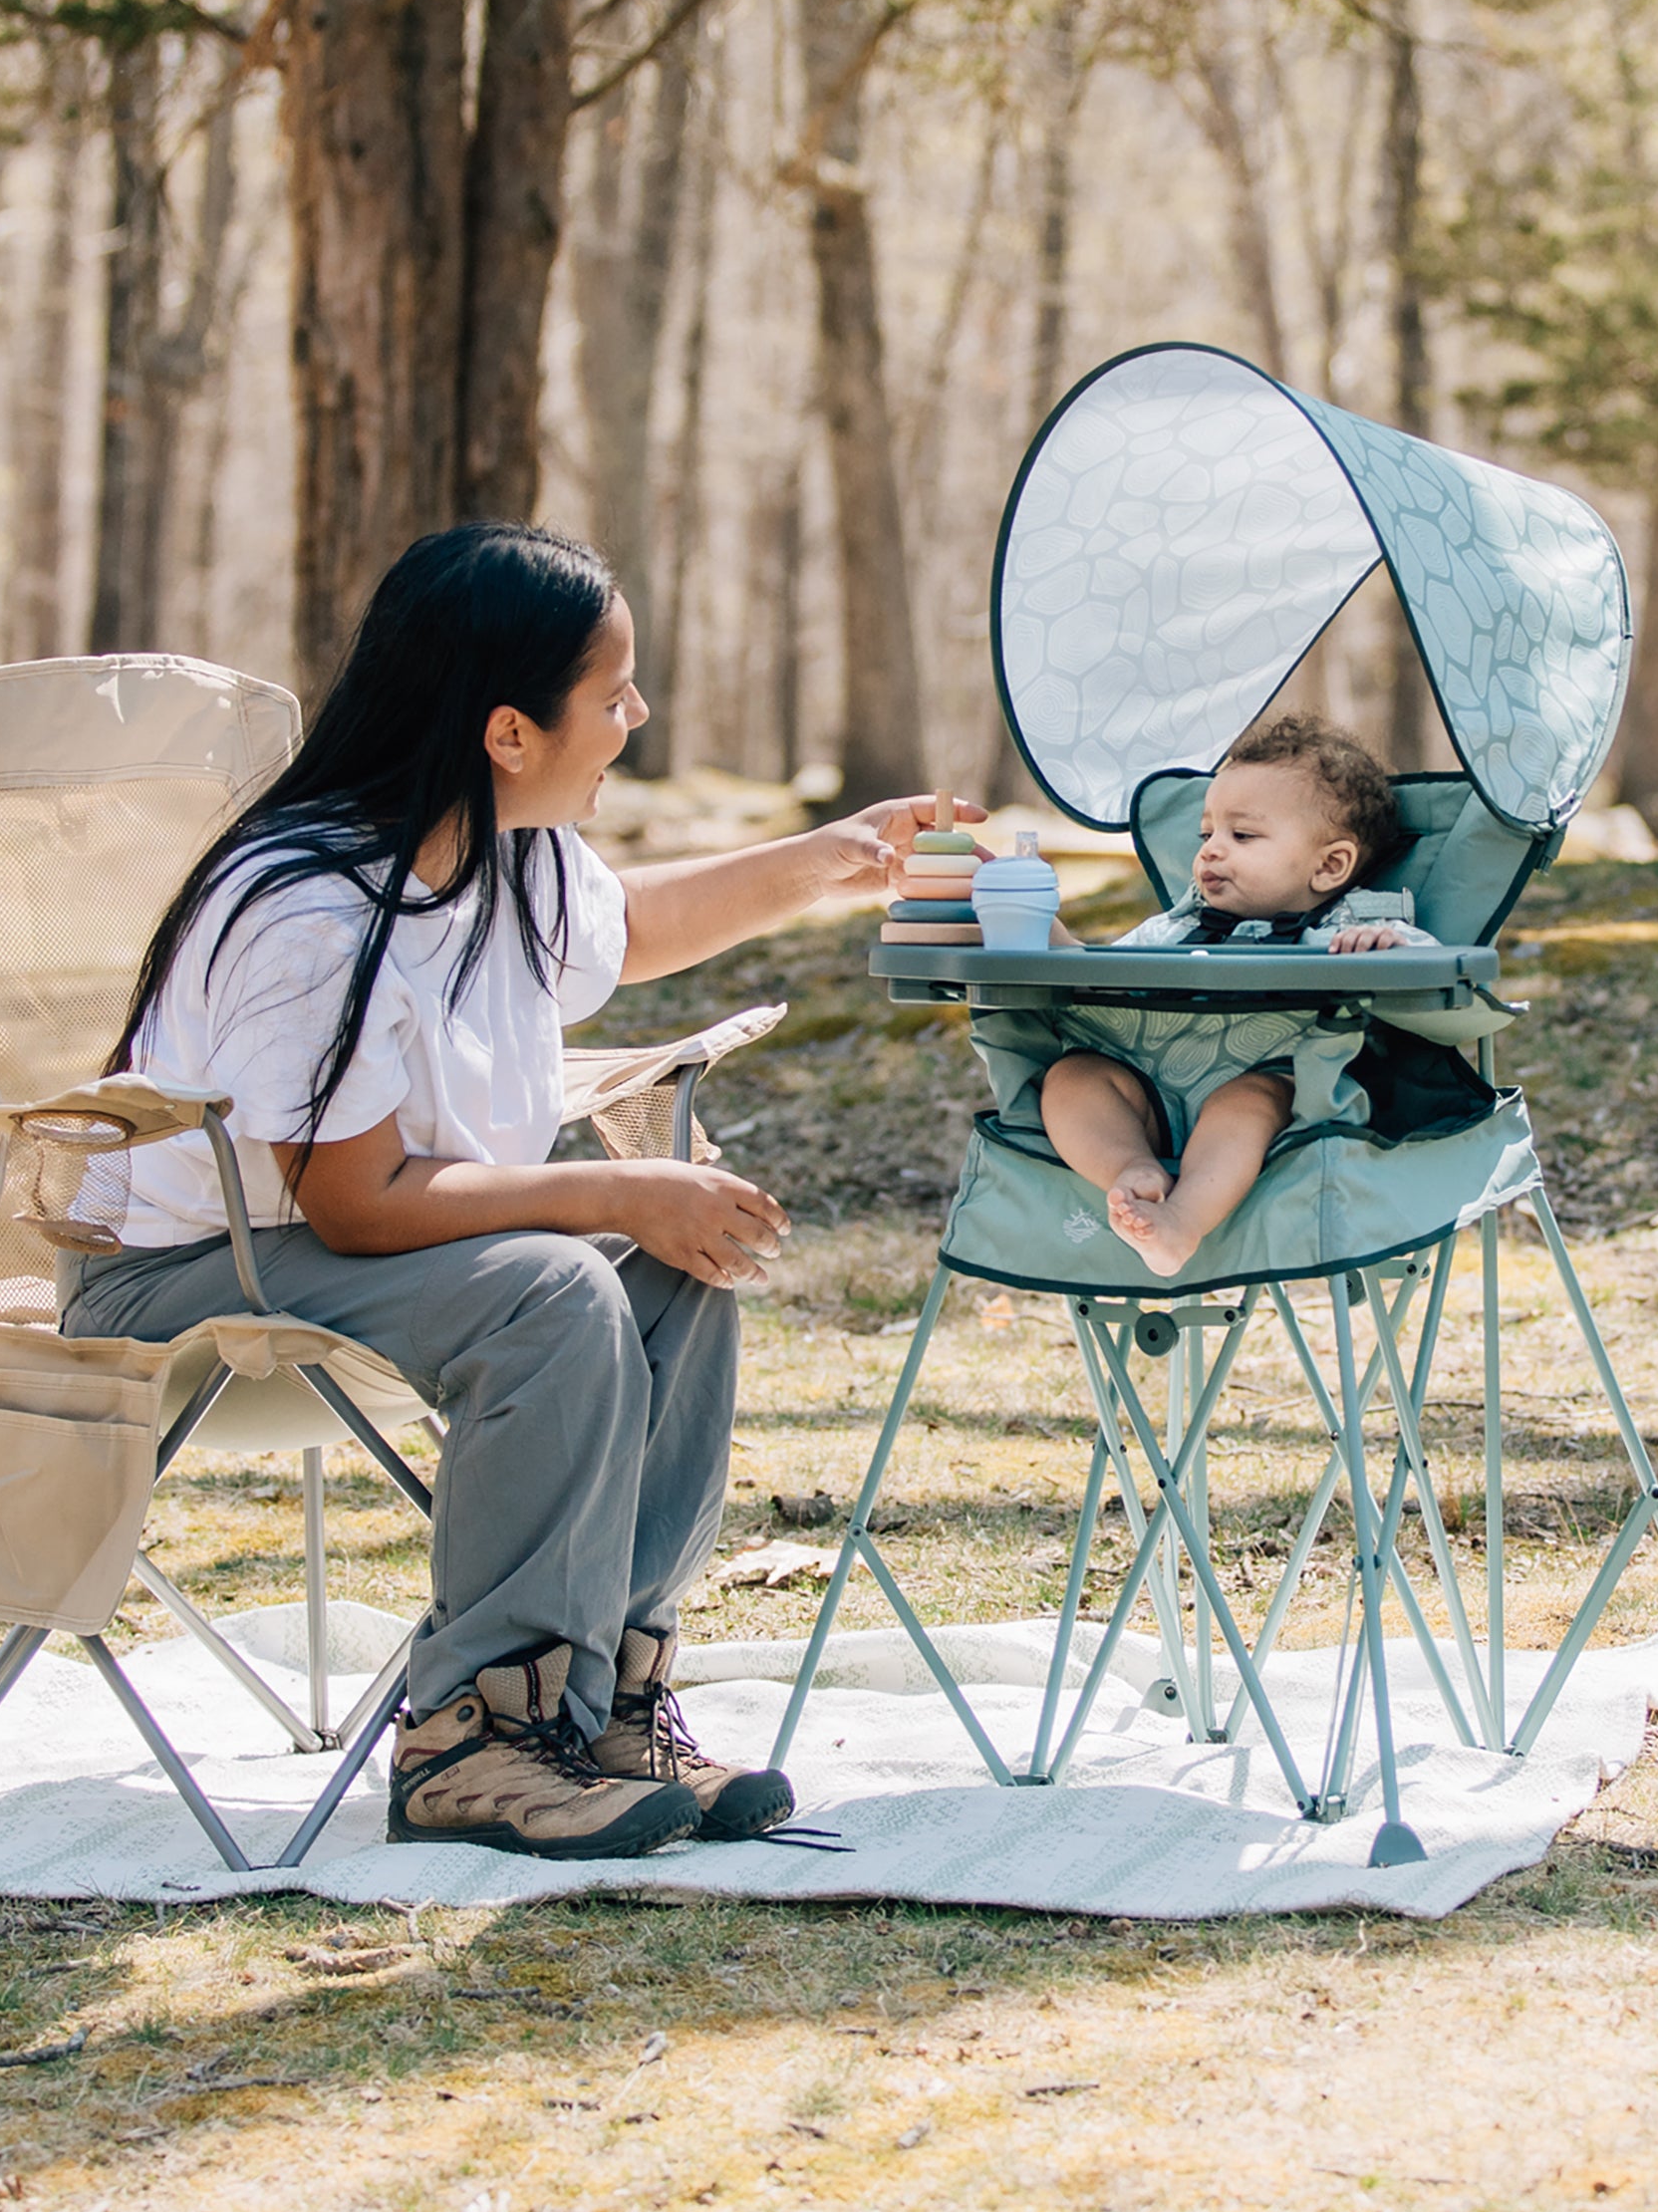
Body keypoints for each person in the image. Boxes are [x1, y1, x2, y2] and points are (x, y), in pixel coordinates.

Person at [68, 521, 977, 1861]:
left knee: (678, 1263)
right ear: (507, 731)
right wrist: (607, 1192)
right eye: (611, 696)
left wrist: (836, 854)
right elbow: (356, 1205)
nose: (637, 716)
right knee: (560, 1286)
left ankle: (603, 1697)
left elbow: (638, 929)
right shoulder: (312, 911)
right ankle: (473, 1738)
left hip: (355, 1258)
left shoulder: (511, 849)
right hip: (189, 1278)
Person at [1037, 713, 1432, 1278]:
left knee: (1244, 1102)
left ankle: (1180, 1225)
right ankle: (1132, 1169)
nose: (1211, 852)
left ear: (1329, 865)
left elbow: (1433, 966)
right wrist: (1038, 927)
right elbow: (1092, 970)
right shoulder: (1180, 926)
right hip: (1146, 1094)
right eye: (1207, 835)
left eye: (1241, 835)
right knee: (1072, 1077)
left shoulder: (1349, 924)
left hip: (1267, 1091)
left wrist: (1387, 948)